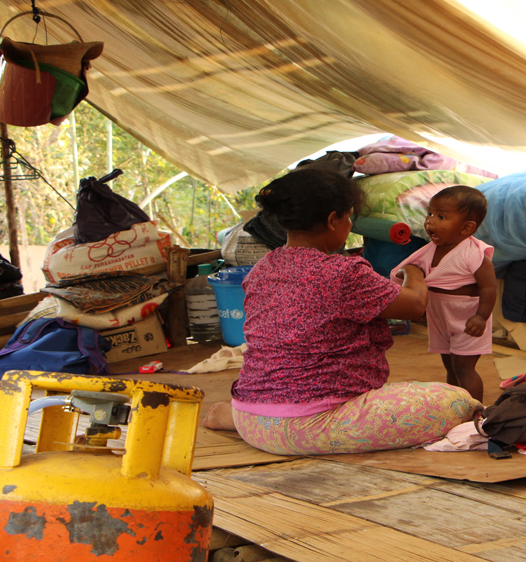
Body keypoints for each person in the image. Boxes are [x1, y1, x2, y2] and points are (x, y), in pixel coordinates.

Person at [201, 169, 482, 456]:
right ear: (333, 220)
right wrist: (414, 271)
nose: (350, 224)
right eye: (349, 217)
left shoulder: (263, 268)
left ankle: (232, 418)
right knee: (456, 401)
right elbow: (414, 304)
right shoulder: (343, 273)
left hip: (251, 417)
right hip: (310, 424)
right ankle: (277, 427)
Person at [391, 185, 496, 402]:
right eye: (429, 213)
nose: (430, 221)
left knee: (464, 367)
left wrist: (481, 316)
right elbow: (415, 277)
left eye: (441, 216)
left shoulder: (474, 254)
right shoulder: (428, 251)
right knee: (450, 365)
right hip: (440, 317)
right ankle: (454, 405)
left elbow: (489, 288)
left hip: (467, 318)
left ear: (467, 228)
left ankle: (473, 412)